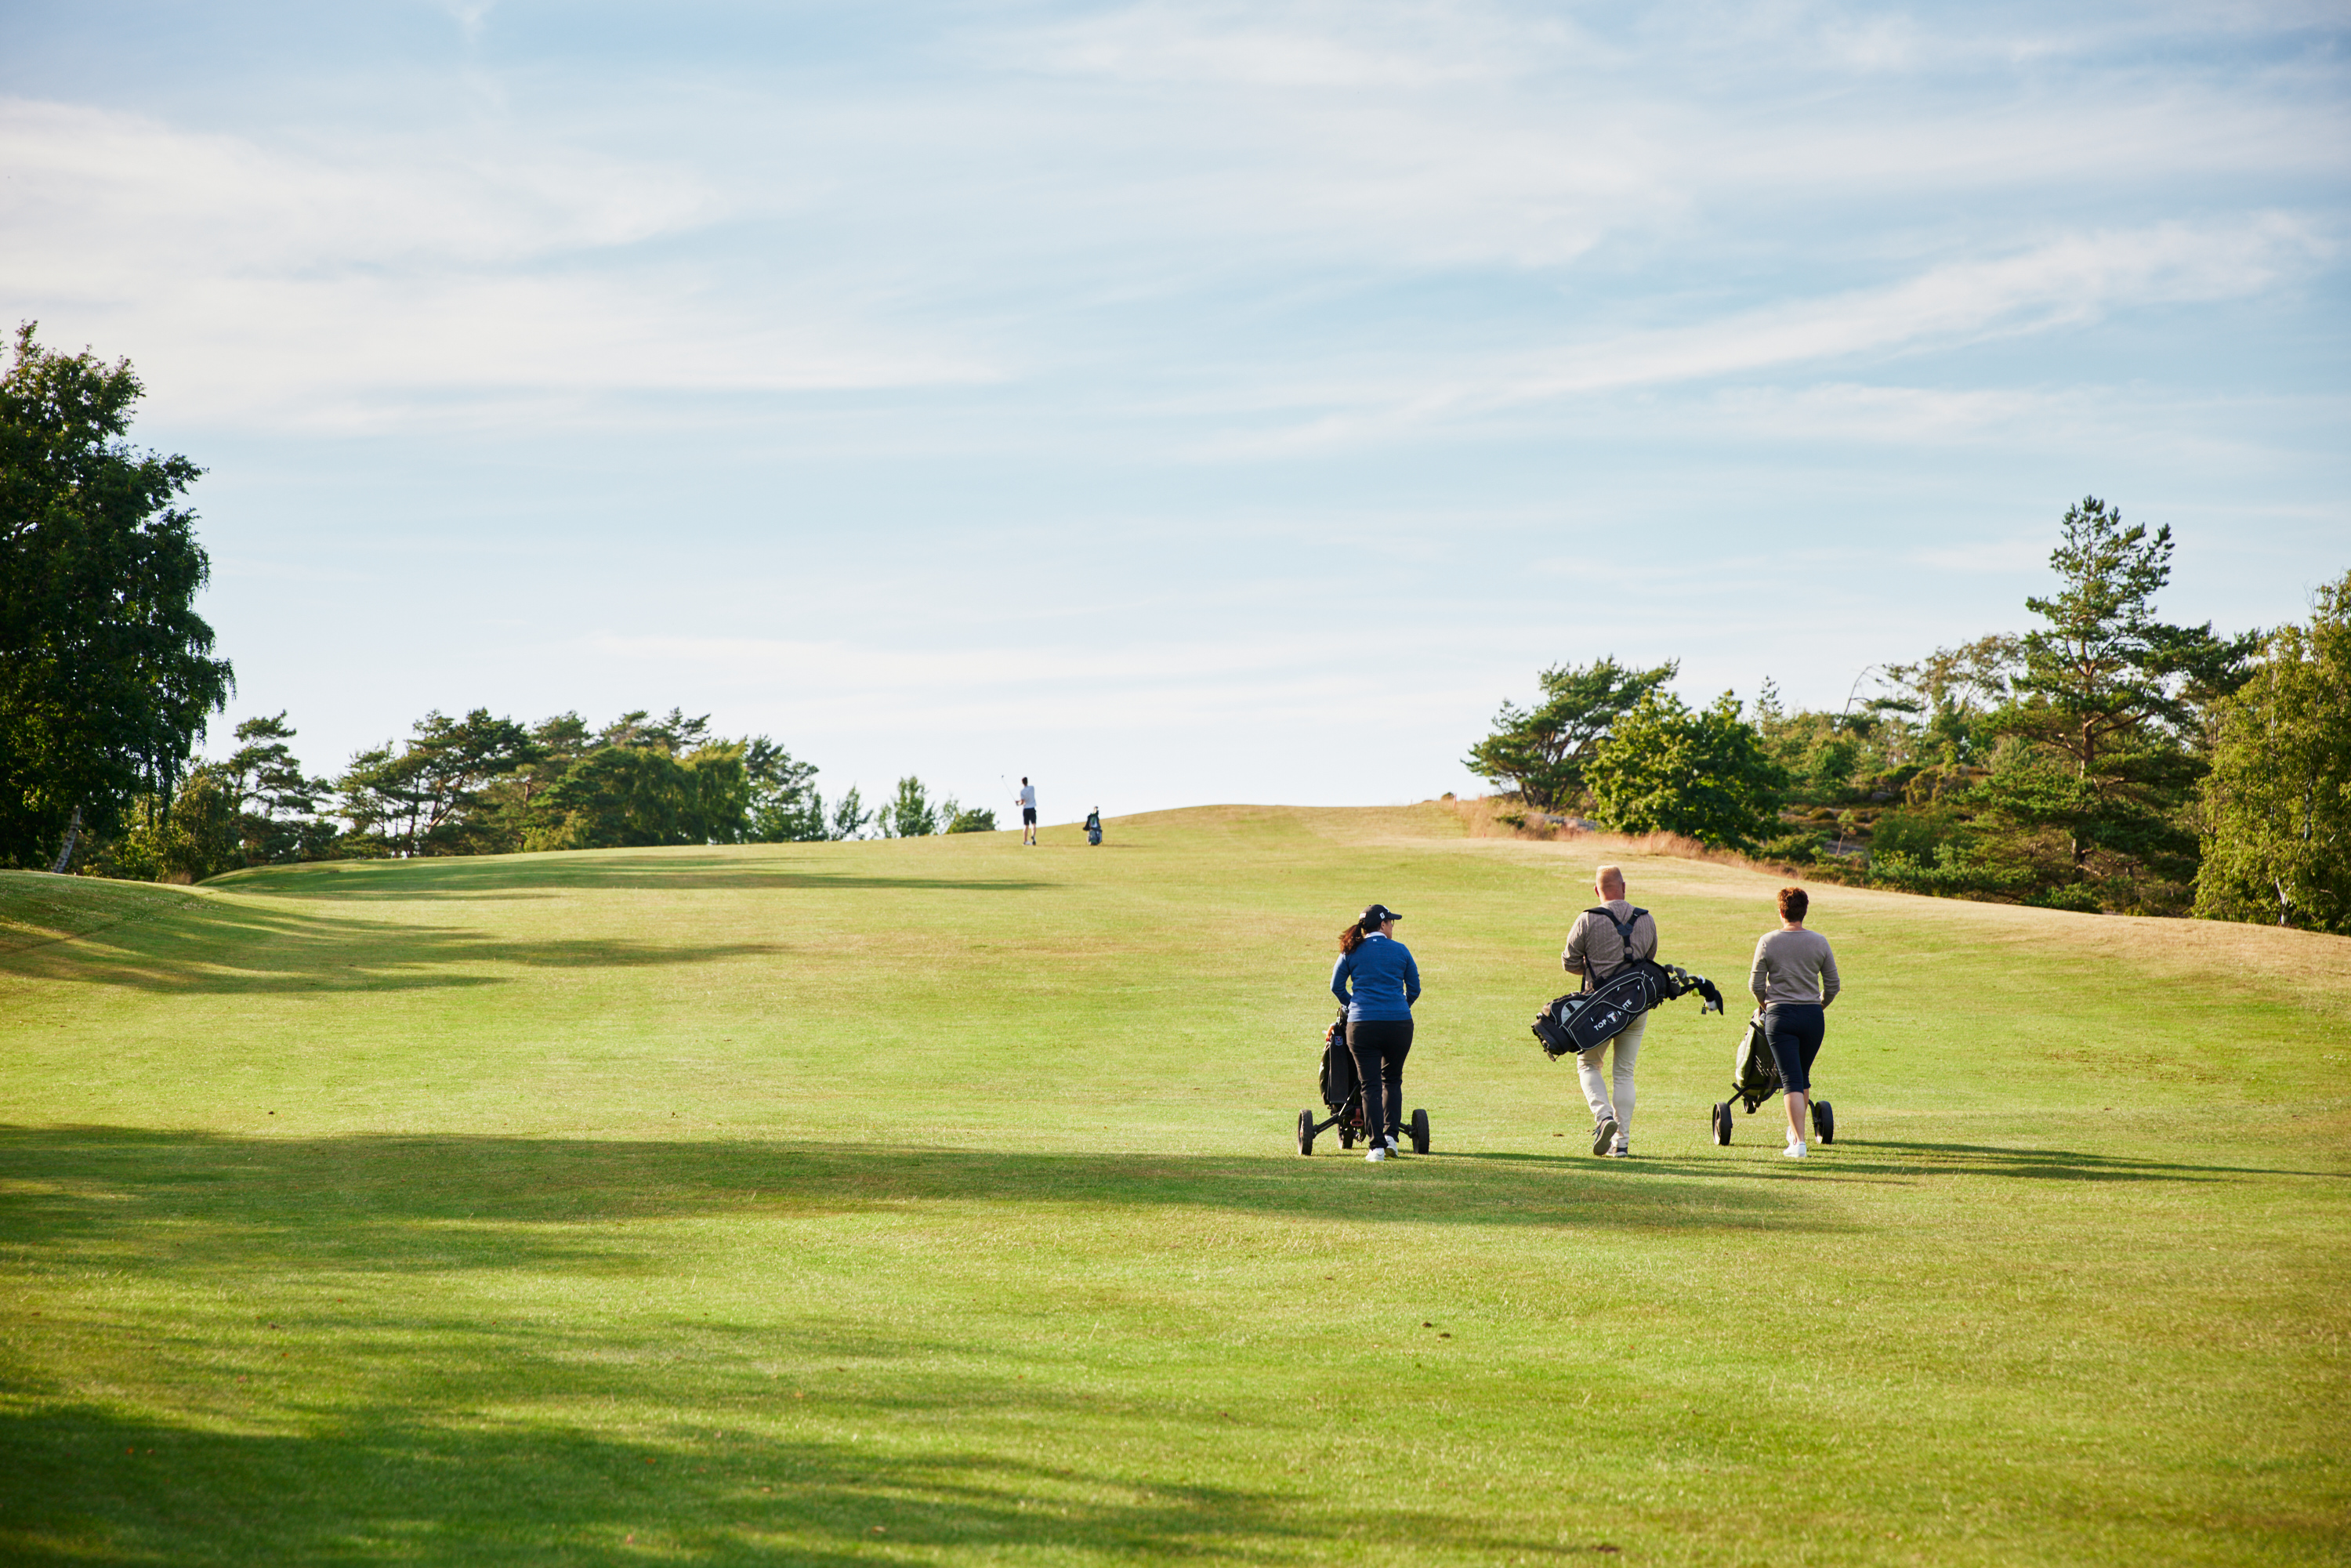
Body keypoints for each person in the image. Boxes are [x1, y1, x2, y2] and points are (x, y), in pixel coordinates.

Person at [1559, 864, 1658, 1157]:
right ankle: (1623, 1143)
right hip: (1637, 1006)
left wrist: (1592, 969)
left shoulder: (1587, 919)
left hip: (1598, 1009)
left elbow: (1568, 961)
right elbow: (1649, 959)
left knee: (1588, 1064)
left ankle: (1604, 1118)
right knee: (1625, 1073)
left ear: (1596, 891)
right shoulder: (1646, 919)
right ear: (1624, 887)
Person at [1748, 886, 1841, 1159]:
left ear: (1781, 912)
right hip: (1813, 1016)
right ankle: (1795, 1132)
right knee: (1802, 1075)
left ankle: (1799, 1142)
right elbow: (1833, 985)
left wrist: (1767, 1003)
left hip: (1781, 1016)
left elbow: (1755, 985)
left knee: (1790, 1078)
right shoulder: (1819, 942)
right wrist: (1819, 1004)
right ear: (1805, 911)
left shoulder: (1768, 941)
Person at [1329, 903, 1420, 1163]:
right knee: (1392, 1080)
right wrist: (1401, 1006)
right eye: (1391, 922)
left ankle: (1377, 1147)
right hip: (1399, 1024)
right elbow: (1414, 988)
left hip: (1362, 1026)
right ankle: (1391, 1138)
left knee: (1370, 1084)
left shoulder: (1352, 950)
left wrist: (1351, 1004)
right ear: (1382, 925)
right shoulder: (1401, 950)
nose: (1393, 926)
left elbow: (1337, 985)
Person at [1015, 777, 1038, 846]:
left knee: (1026, 825)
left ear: (1022, 783)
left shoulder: (1022, 791)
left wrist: (1018, 803)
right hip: (1032, 808)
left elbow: (1022, 802)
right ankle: (1033, 835)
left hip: (1026, 809)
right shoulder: (1032, 788)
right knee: (1033, 824)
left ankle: (1025, 841)